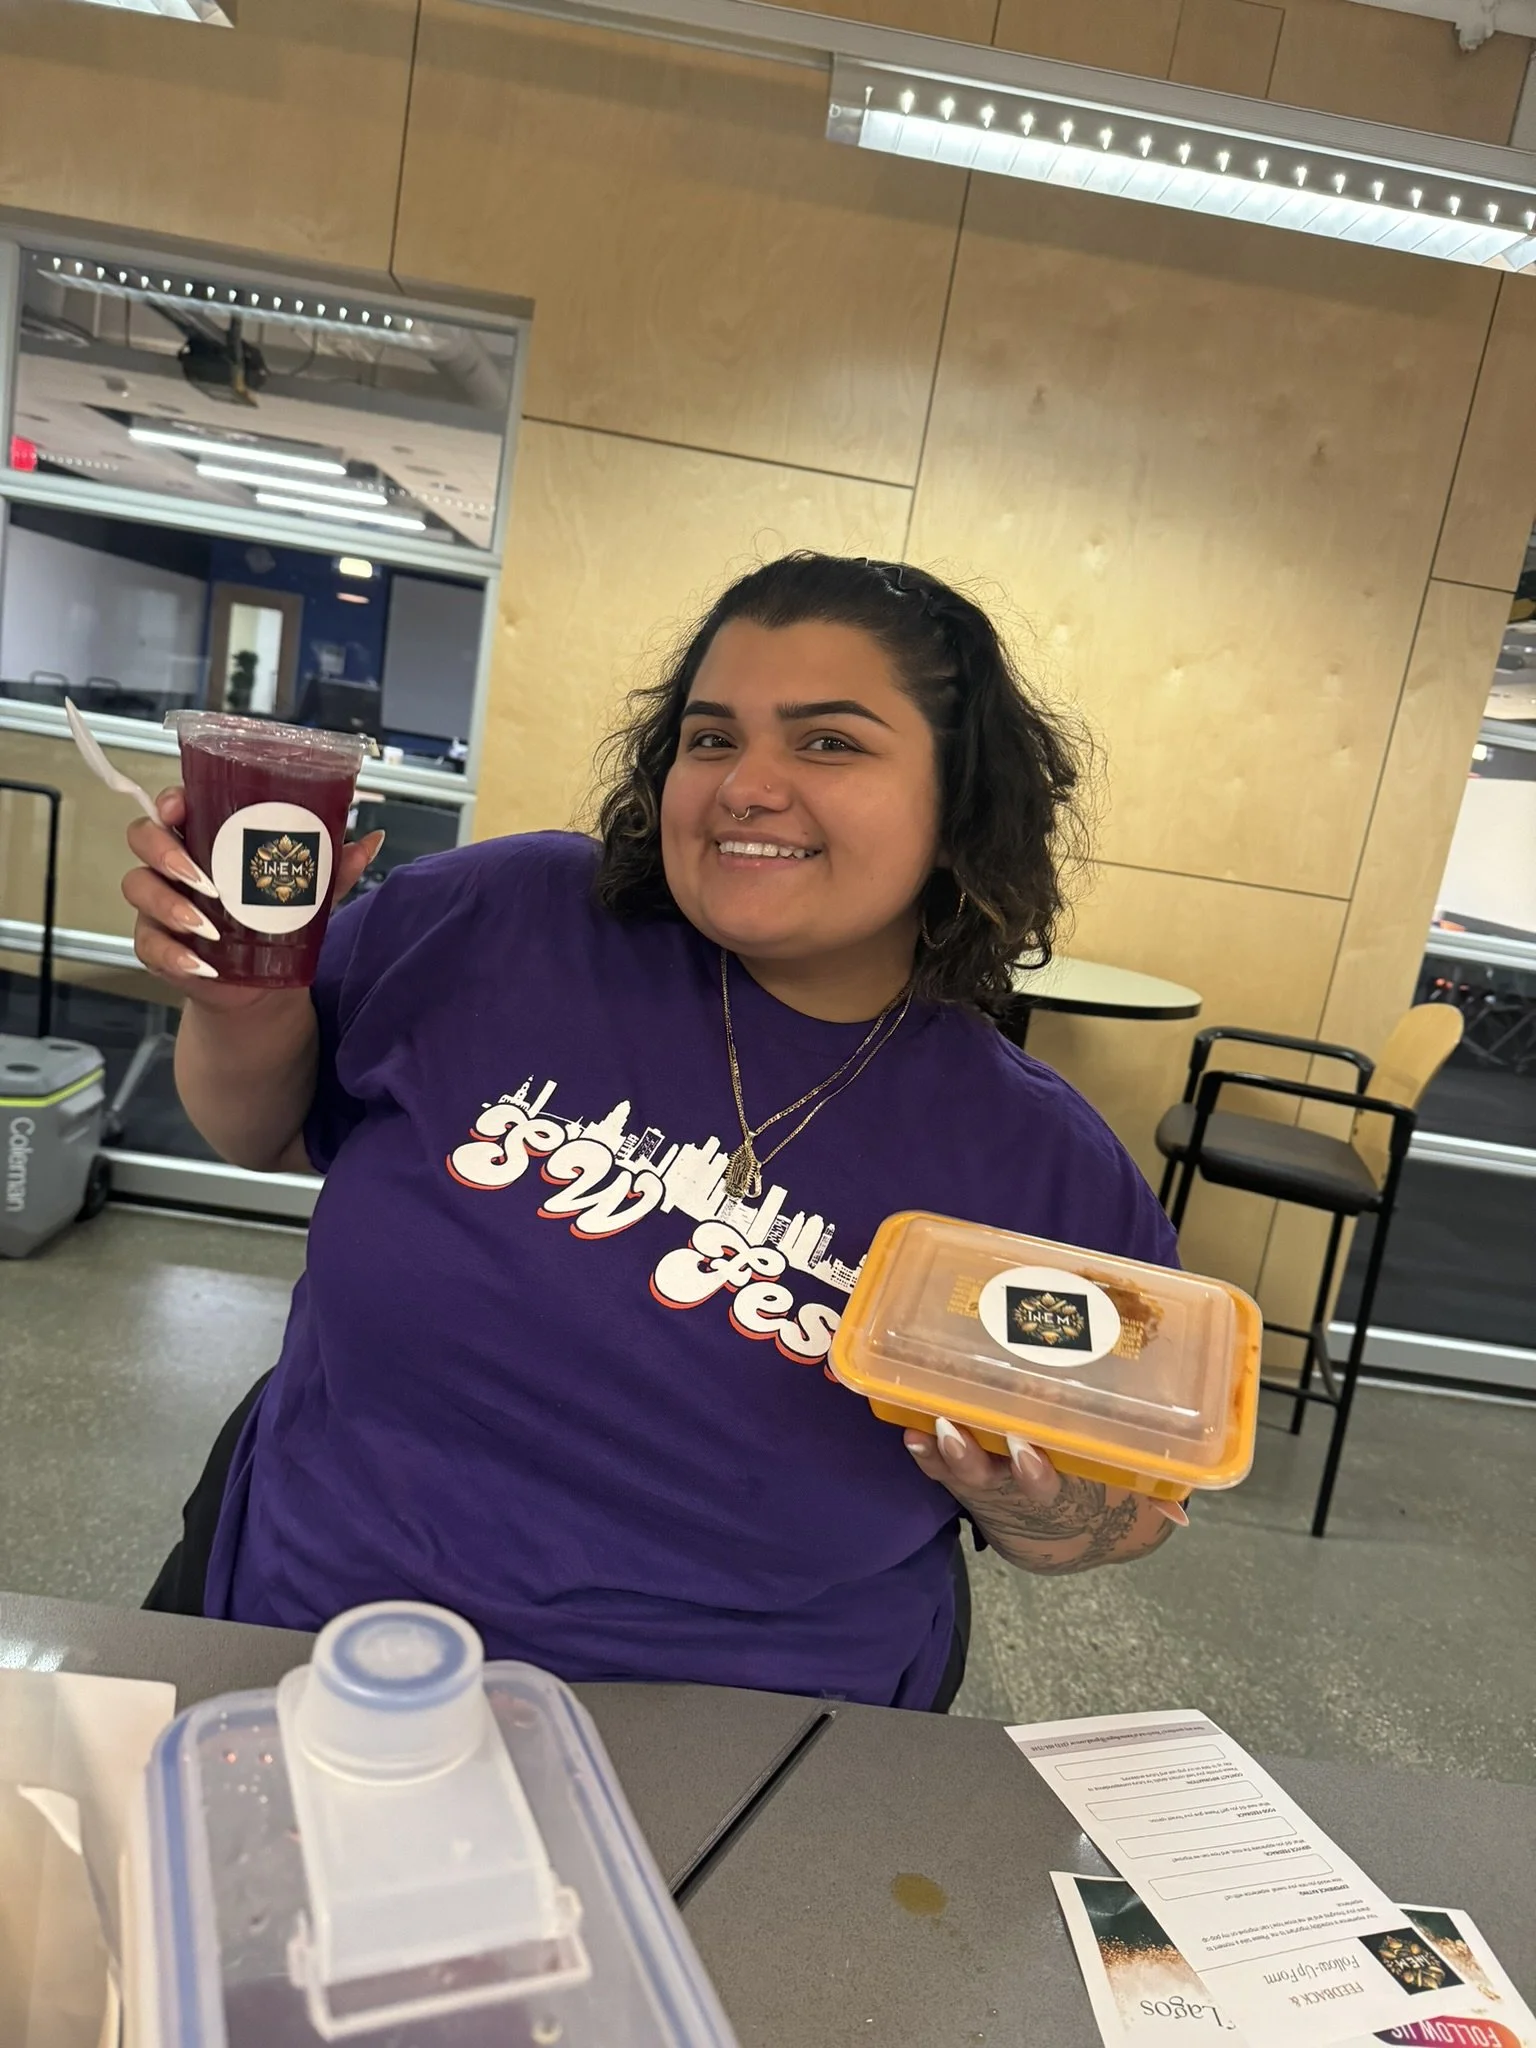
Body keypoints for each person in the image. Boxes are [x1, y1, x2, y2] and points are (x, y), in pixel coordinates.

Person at [125, 552, 1182, 1712]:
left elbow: (1122, 1513)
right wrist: (241, 999)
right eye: (713, 736)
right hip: (314, 1658)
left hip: (735, 1756)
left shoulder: (1038, 1164)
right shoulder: (502, 920)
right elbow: (262, 1132)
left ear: (958, 806)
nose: (745, 784)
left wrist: (1032, 1507)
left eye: (829, 742)